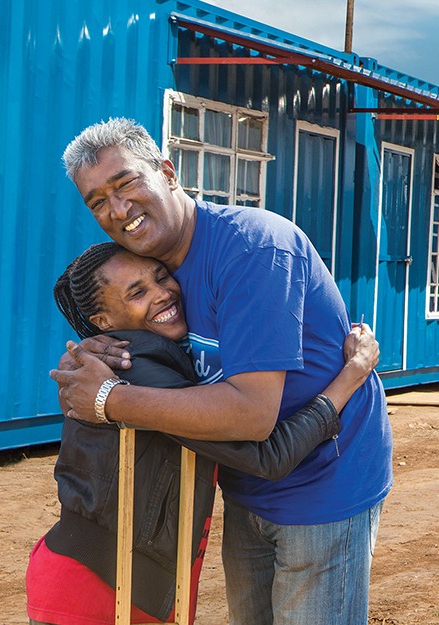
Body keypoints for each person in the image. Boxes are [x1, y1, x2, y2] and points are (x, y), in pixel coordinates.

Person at [50, 118, 393, 625]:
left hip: (324, 480)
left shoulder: (253, 249)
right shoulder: (155, 269)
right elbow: (132, 343)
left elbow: (253, 416)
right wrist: (90, 353)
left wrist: (109, 400)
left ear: (167, 171)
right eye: (98, 201)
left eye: (125, 184)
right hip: (246, 480)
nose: (117, 210)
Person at [27, 241, 380, 625]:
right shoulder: (136, 372)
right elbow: (268, 456)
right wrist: (351, 376)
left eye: (162, 277)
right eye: (138, 292)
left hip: (114, 575)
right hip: (100, 589)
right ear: (104, 322)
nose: (162, 294)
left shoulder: (154, 356)